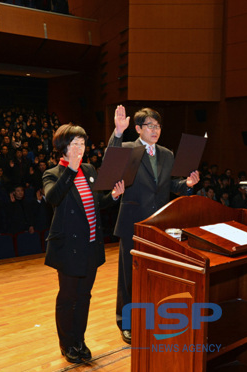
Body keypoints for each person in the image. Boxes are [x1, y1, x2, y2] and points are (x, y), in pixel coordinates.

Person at [108, 105, 199, 344]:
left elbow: (171, 185)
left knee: (156, 273)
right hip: (132, 221)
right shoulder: (128, 149)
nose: (155, 129)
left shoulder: (167, 154)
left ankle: (150, 317)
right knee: (129, 275)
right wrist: (118, 133)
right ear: (138, 128)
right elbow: (111, 159)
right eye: (150, 125)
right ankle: (125, 322)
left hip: (159, 223)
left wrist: (187, 184)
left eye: (158, 126)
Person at [43, 124, 124, 364]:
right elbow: (53, 198)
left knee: (84, 296)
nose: (80, 148)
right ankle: (66, 343)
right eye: (75, 144)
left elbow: (98, 204)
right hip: (68, 249)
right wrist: (71, 171)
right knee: (68, 298)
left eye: (82, 143)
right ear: (63, 147)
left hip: (90, 247)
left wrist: (114, 197)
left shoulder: (89, 170)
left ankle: (79, 340)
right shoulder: (53, 173)